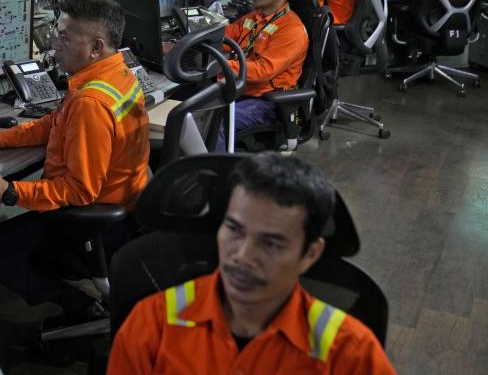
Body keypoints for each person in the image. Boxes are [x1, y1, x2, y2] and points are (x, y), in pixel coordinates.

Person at [0, 0, 150, 327]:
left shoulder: (92, 102)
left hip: (96, 222)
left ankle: (79, 307)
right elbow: (54, 123)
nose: (54, 45)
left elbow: (80, 191)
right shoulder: (113, 74)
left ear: (95, 47)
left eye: (64, 37)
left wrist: (11, 192)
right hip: (126, 210)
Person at [108, 152, 396, 374]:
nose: (243, 256)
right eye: (234, 230)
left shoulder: (350, 352)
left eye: (271, 243)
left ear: (310, 254)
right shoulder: (152, 326)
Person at [217, 0, 308, 150]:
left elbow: (263, 71)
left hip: (266, 102)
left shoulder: (292, 29)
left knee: (214, 123)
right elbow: (225, 36)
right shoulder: (254, 17)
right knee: (189, 109)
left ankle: (217, 176)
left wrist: (220, 65)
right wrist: (192, 40)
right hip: (239, 91)